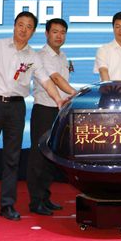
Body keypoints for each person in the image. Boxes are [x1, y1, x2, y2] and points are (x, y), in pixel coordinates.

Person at [0, 11, 65, 224]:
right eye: (21, 25)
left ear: (33, 31)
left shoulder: (33, 56)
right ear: (14, 26)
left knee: (12, 159)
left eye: (29, 26)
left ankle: (7, 206)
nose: (24, 29)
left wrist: (59, 99)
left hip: (16, 108)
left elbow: (46, 81)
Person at [27, 18, 77, 216]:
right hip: (44, 110)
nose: (59, 36)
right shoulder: (41, 55)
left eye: (63, 32)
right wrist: (75, 93)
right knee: (39, 157)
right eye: (55, 31)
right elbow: (55, 78)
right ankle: (35, 201)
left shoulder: (63, 56)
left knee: (51, 157)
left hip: (60, 111)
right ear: (47, 34)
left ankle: (45, 198)